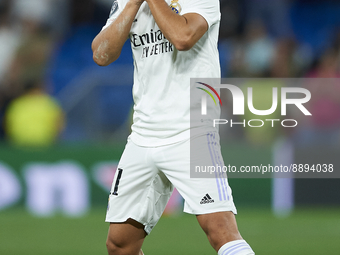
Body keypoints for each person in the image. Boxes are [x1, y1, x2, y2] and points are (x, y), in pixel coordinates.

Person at [92, 0, 255, 254]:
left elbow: (183, 37)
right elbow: (101, 54)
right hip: (143, 135)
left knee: (220, 231)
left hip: (192, 131)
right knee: (119, 245)